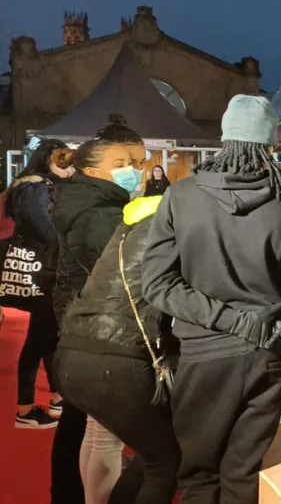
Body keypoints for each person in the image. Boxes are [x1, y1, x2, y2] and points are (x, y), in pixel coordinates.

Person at [143, 95, 281, 503]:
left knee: (199, 475)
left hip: (202, 355)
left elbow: (158, 283)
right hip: (264, 355)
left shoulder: (181, 196)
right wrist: (247, 319)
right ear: (270, 143)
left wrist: (225, 319)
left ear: (225, 138)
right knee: (243, 472)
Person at [55, 191, 181, 504]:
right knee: (164, 463)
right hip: (117, 359)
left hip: (75, 347)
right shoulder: (179, 224)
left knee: (114, 441)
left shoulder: (131, 224)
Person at [51, 137, 144, 504]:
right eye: (120, 164)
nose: (131, 170)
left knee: (94, 429)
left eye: (134, 163)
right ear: (92, 171)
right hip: (105, 326)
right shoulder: (103, 214)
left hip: (80, 321)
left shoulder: (79, 202)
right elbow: (124, 271)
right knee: (106, 434)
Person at [6, 140, 73, 429]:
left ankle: (57, 398)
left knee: (48, 337)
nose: (69, 169)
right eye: (63, 162)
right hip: (43, 268)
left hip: (45, 267)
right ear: (48, 159)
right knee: (39, 339)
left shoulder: (34, 185)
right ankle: (25, 409)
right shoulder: (35, 188)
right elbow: (47, 229)